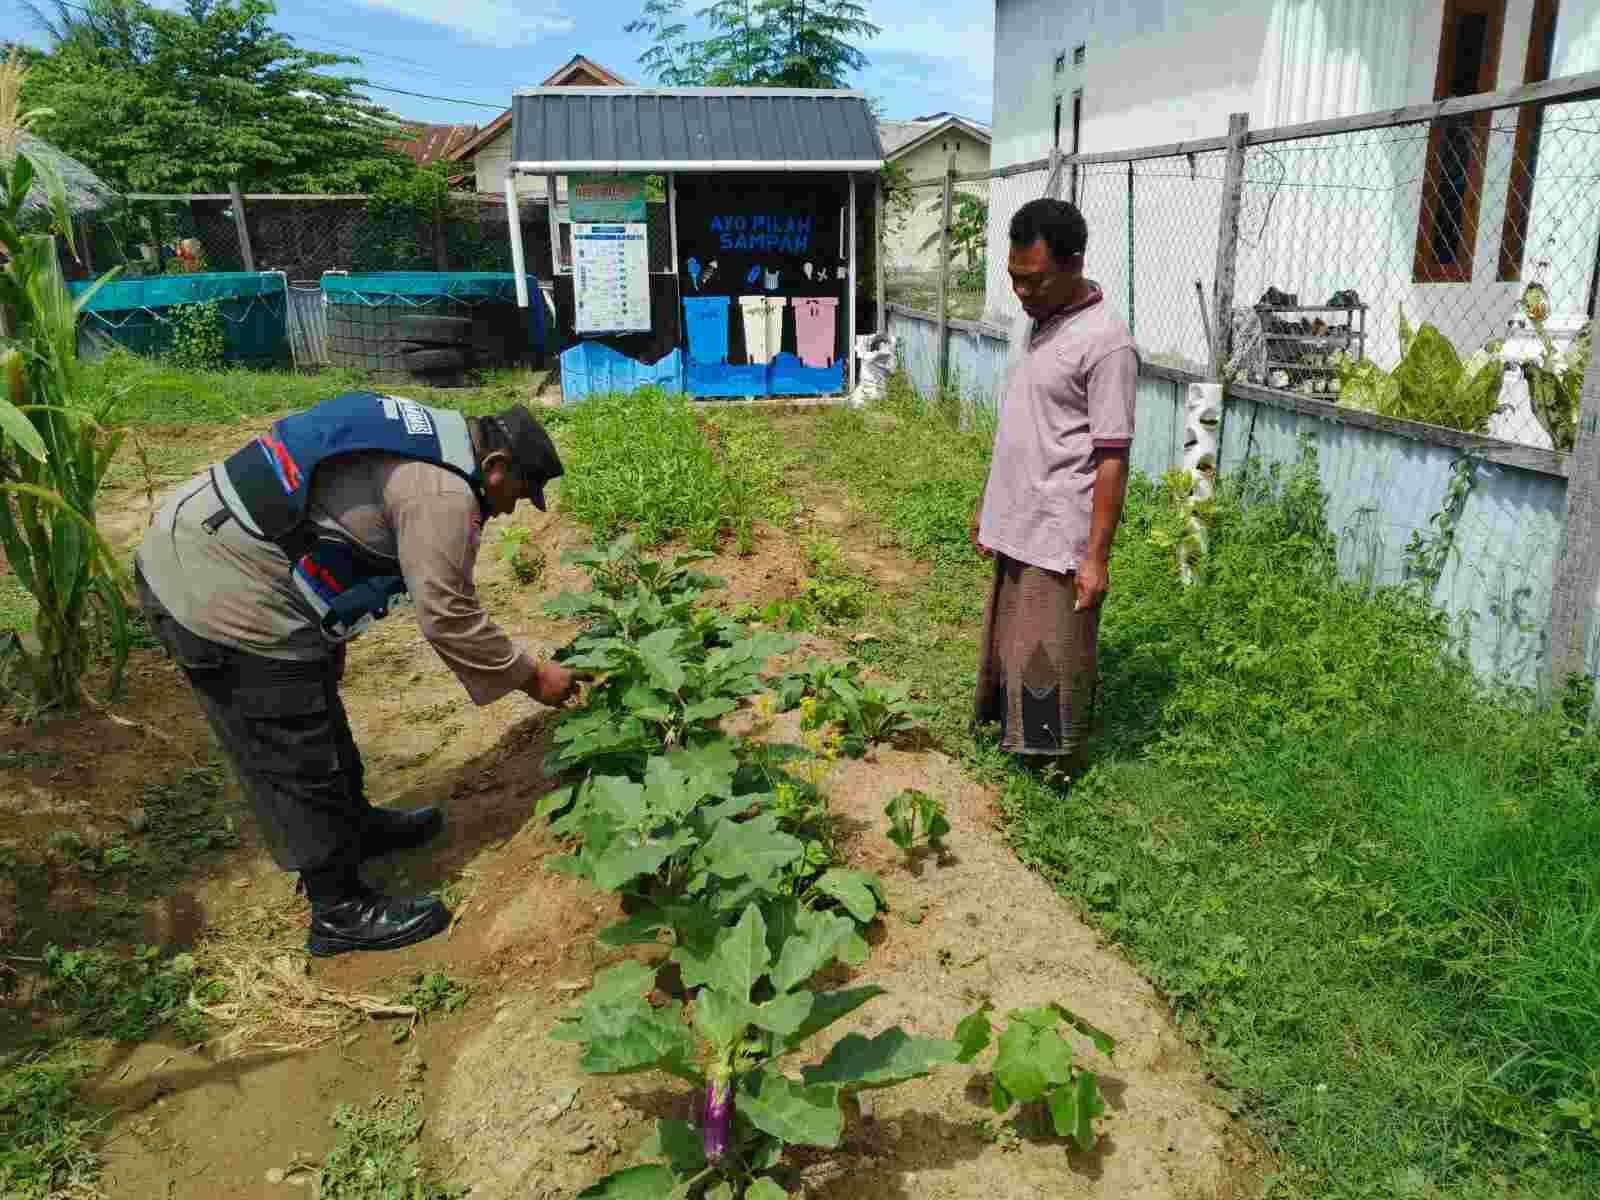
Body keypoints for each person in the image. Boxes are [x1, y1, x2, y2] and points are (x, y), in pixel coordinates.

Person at [134, 393, 580, 956]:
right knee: (294, 745)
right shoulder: (444, 492)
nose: (511, 510)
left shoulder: (432, 436)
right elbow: (447, 614)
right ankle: (339, 910)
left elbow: (334, 515)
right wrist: (533, 677)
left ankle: (355, 829)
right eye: (518, 493)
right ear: (495, 465)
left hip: (219, 545)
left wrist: (330, 635)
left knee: (317, 710)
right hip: (216, 588)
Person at [970, 198, 1137, 771]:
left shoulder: (1106, 342)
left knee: (1047, 649)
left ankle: (1048, 764)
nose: (1021, 292)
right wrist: (989, 503)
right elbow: (1026, 425)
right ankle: (1015, 733)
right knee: (1013, 636)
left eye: (1034, 280)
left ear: (1074, 264)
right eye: (1013, 278)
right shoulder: (1042, 323)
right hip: (1019, 514)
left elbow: (1112, 456)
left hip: (1058, 524)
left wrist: (1097, 557)